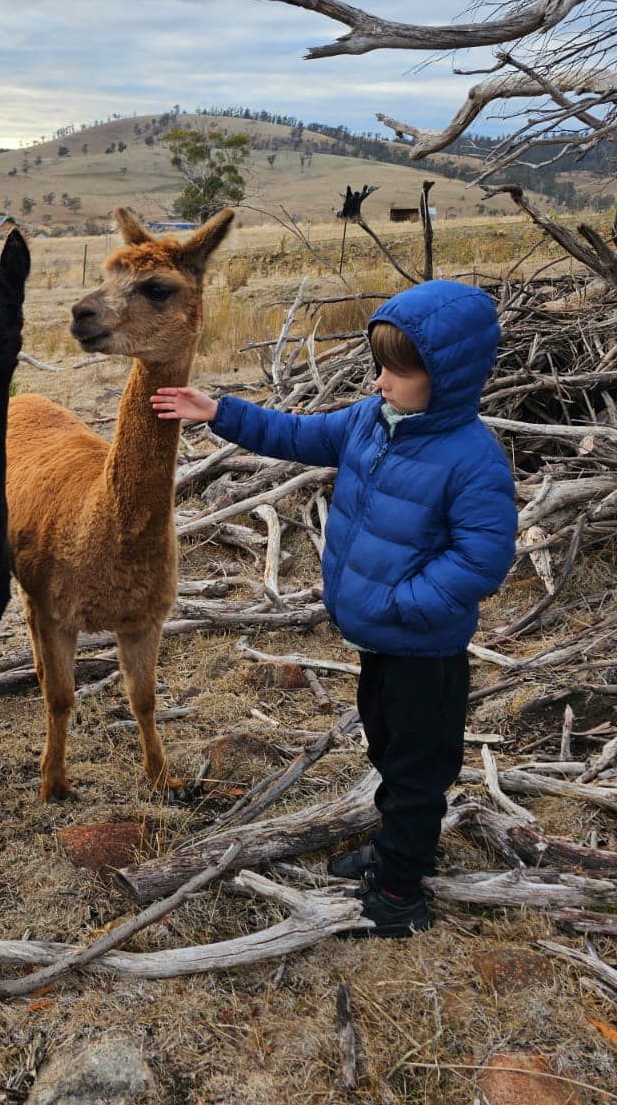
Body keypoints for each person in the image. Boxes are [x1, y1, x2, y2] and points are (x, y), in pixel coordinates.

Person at [151, 279, 516, 936]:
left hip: (425, 653)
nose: (379, 382)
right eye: (380, 368)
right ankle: (395, 850)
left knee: (416, 773)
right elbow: (298, 434)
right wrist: (221, 413)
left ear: (447, 378)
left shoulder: (472, 461)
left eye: (397, 374)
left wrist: (403, 602)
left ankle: (401, 895)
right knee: (387, 750)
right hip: (381, 642)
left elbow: (482, 559)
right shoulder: (370, 422)